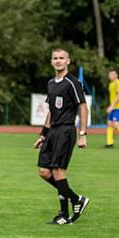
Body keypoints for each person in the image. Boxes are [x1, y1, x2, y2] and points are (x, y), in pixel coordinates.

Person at [34, 48, 90, 226]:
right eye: (55, 58)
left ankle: (64, 215)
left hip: (66, 131)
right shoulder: (51, 83)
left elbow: (83, 108)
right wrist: (43, 134)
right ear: (51, 61)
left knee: (58, 172)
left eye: (62, 58)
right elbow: (51, 111)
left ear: (68, 61)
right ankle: (76, 199)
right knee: (44, 172)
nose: (58, 61)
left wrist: (82, 134)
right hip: (52, 132)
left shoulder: (72, 83)